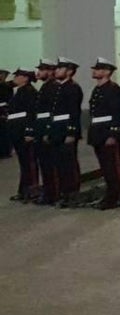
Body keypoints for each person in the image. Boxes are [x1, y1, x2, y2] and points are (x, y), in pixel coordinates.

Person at [88, 58, 120, 209]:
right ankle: (109, 196)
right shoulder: (97, 89)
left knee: (113, 168)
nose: (94, 71)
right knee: (105, 168)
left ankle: (115, 197)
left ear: (107, 72)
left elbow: (117, 113)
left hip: (108, 133)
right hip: (98, 132)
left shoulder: (113, 89)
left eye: (98, 69)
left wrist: (113, 134)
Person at [48, 57, 84, 205]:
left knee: (69, 164)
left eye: (60, 68)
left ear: (69, 71)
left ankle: (72, 193)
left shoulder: (73, 88)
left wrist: (71, 132)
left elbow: (74, 112)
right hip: (57, 130)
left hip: (66, 131)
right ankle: (64, 192)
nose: (56, 70)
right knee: (60, 164)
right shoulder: (59, 88)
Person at [6, 68, 39, 201]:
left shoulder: (29, 92)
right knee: (23, 162)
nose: (15, 78)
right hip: (17, 131)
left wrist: (30, 131)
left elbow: (31, 113)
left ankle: (31, 190)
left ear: (25, 78)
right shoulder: (20, 91)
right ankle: (24, 190)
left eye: (18, 76)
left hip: (24, 131)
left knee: (29, 162)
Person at [31, 59, 59, 205]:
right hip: (41, 129)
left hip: (46, 129)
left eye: (42, 70)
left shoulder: (53, 87)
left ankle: (52, 194)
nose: (38, 73)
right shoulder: (46, 87)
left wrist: (48, 130)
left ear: (49, 71)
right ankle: (49, 192)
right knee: (45, 164)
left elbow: (52, 111)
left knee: (49, 165)